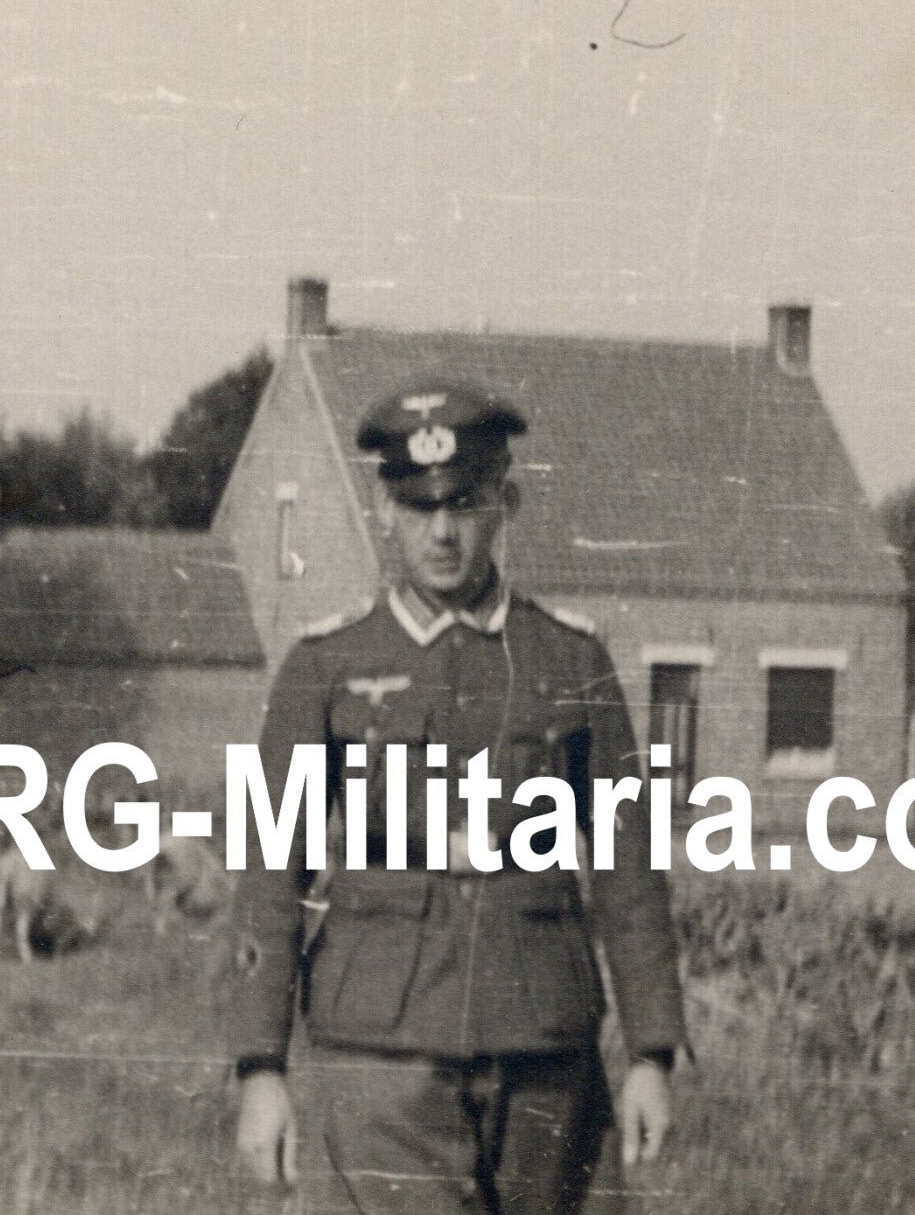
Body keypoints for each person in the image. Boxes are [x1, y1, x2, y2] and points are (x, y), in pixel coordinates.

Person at [228, 378, 687, 1213]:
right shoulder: (326, 665)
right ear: (387, 511)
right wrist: (261, 1066)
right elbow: (270, 869)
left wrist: (652, 1051)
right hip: (380, 1053)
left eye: (465, 503)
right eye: (419, 506)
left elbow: (629, 863)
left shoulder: (569, 659)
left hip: (543, 1045)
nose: (442, 531)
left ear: (504, 502)